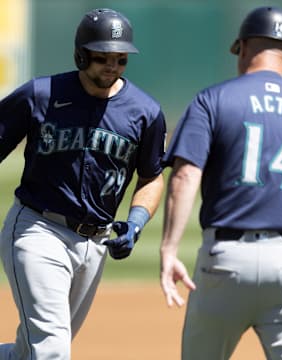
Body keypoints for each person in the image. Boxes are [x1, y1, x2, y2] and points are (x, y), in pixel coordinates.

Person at [160, 6, 282, 360]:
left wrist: (169, 250)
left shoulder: (211, 100)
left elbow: (184, 176)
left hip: (226, 259)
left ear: (242, 47)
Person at [0, 7, 166, 359]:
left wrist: (135, 224)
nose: (112, 66)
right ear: (81, 54)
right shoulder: (41, 94)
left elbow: (152, 177)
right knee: (53, 350)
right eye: (102, 57)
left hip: (95, 243)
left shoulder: (145, 112)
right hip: (38, 230)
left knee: (31, 351)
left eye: (121, 59)